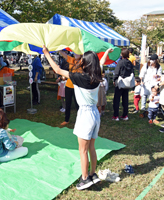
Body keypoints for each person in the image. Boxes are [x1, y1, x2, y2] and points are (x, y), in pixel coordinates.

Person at [43, 45, 112, 190]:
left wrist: (46, 53)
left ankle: (85, 178)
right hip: (95, 114)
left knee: (82, 151)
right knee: (91, 147)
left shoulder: (80, 77)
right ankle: (92, 174)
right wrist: (105, 52)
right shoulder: (97, 74)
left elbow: (57, 70)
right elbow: (102, 62)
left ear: (85, 63)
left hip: (85, 115)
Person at [58, 51, 81, 126]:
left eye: (77, 52)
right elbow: (64, 55)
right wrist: (59, 49)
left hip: (77, 87)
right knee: (68, 103)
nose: (75, 54)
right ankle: (66, 120)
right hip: (68, 85)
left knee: (78, 105)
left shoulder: (83, 62)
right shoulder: (71, 59)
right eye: (75, 52)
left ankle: (80, 121)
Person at [112, 48, 135, 121]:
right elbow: (132, 72)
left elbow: (116, 72)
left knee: (117, 99)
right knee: (125, 99)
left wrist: (114, 80)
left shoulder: (121, 62)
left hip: (120, 82)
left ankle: (116, 115)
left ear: (122, 54)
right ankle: (125, 115)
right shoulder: (129, 63)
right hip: (127, 83)